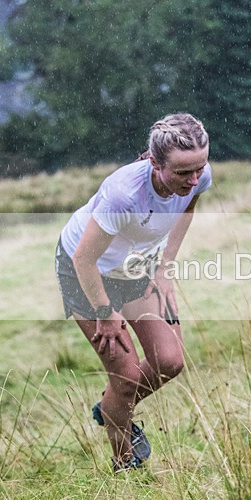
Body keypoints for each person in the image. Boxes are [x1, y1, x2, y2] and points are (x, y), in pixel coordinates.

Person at [55, 113, 211, 472]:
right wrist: (106, 313)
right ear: (154, 163)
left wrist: (165, 266)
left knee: (169, 361)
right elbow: (83, 259)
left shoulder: (198, 176)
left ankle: (111, 408)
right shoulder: (125, 194)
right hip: (86, 271)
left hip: (135, 266)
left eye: (199, 168)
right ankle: (126, 465)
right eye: (183, 172)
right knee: (124, 376)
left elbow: (187, 209)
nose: (194, 179)